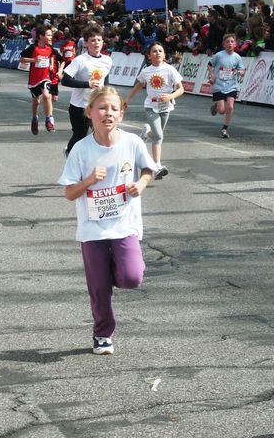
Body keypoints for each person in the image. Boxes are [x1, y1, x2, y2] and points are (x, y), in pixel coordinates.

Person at [57, 86, 157, 355]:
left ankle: (118, 266)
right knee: (100, 289)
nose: (108, 113)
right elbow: (69, 192)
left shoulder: (132, 143)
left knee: (132, 277)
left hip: (124, 224)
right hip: (92, 229)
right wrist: (89, 181)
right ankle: (103, 334)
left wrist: (142, 183)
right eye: (102, 108)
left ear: (122, 113)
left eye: (114, 108)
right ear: (89, 113)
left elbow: (149, 168)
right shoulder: (81, 149)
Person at [124, 42, 184, 180]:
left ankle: (146, 133)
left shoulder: (170, 70)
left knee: (157, 134)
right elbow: (139, 85)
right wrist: (127, 99)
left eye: (160, 51)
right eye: (154, 51)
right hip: (151, 106)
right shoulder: (146, 71)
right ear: (149, 55)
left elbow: (181, 89)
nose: (157, 53)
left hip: (166, 107)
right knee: (159, 136)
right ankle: (157, 166)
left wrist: (170, 96)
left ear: (164, 55)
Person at [62, 24, 113, 156]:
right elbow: (65, 80)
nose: (96, 43)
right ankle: (70, 153)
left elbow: (105, 80)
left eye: (99, 40)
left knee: (101, 134)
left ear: (103, 42)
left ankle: (96, 160)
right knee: (80, 136)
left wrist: (107, 96)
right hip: (79, 106)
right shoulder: (80, 60)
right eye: (92, 40)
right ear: (86, 43)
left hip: (97, 106)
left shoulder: (107, 60)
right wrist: (87, 84)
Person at [20, 26, 59, 134]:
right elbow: (22, 59)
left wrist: (54, 66)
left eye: (51, 35)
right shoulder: (33, 48)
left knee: (46, 95)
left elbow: (58, 58)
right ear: (41, 37)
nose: (51, 37)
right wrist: (34, 60)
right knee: (36, 101)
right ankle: (34, 118)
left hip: (45, 77)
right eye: (48, 35)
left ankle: (49, 119)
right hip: (34, 79)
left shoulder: (50, 48)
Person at [208, 34, 245, 139]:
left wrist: (241, 72)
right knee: (221, 111)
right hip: (218, 85)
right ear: (224, 44)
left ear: (235, 44)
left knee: (230, 107)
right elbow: (210, 65)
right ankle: (216, 106)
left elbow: (241, 69)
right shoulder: (219, 55)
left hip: (231, 85)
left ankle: (225, 129)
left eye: (232, 41)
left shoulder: (237, 57)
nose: (230, 43)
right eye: (227, 41)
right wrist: (212, 75)